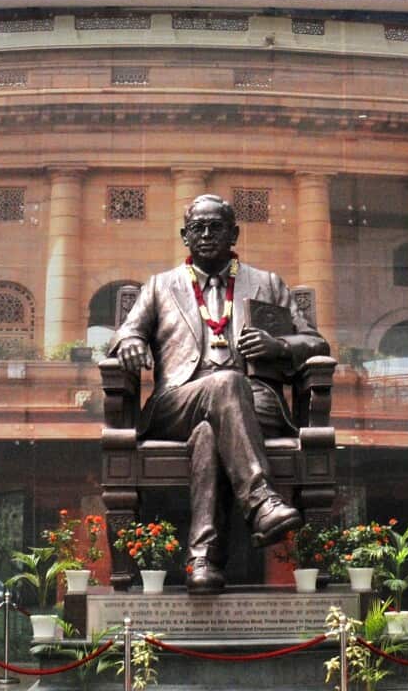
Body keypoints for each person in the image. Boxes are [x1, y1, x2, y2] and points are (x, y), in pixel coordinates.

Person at [111, 194, 327, 594]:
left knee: (211, 430)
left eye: (216, 226)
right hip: (177, 402)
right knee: (225, 383)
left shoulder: (267, 283)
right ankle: (262, 502)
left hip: (255, 403)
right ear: (185, 235)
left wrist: (280, 347)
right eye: (198, 227)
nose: (207, 234)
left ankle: (203, 559)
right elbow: (127, 330)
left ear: (234, 233)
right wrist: (128, 342)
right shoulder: (161, 286)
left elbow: (316, 344)